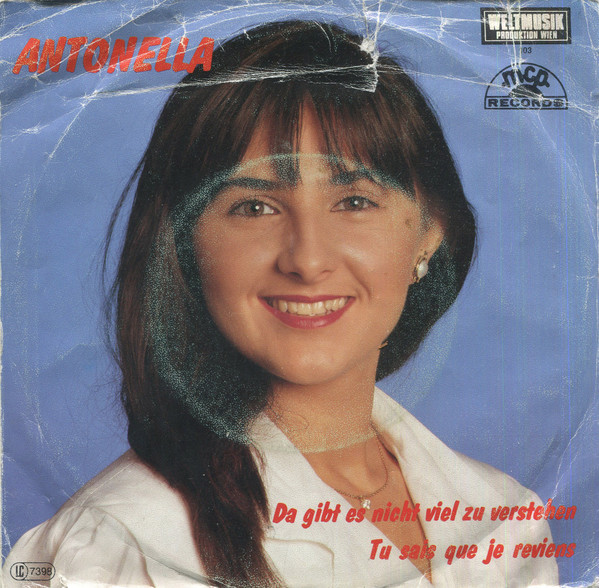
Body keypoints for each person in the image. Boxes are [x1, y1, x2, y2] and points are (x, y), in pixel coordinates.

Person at [4, 20, 558, 587]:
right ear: (186, 245)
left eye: (355, 200)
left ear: (430, 233)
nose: (308, 260)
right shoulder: (116, 545)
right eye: (254, 207)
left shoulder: (505, 517)